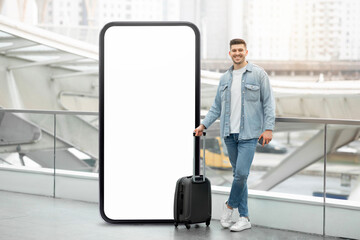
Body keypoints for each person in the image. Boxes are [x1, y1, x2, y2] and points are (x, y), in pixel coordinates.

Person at [194, 38, 275, 232]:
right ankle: (244, 217)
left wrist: (269, 128)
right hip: (229, 134)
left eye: (240, 50)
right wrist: (203, 124)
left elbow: (268, 102)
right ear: (229, 54)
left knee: (241, 174)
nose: (237, 53)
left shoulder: (258, 74)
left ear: (246, 52)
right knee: (240, 177)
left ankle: (229, 206)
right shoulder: (225, 79)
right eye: (234, 51)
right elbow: (216, 107)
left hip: (249, 134)